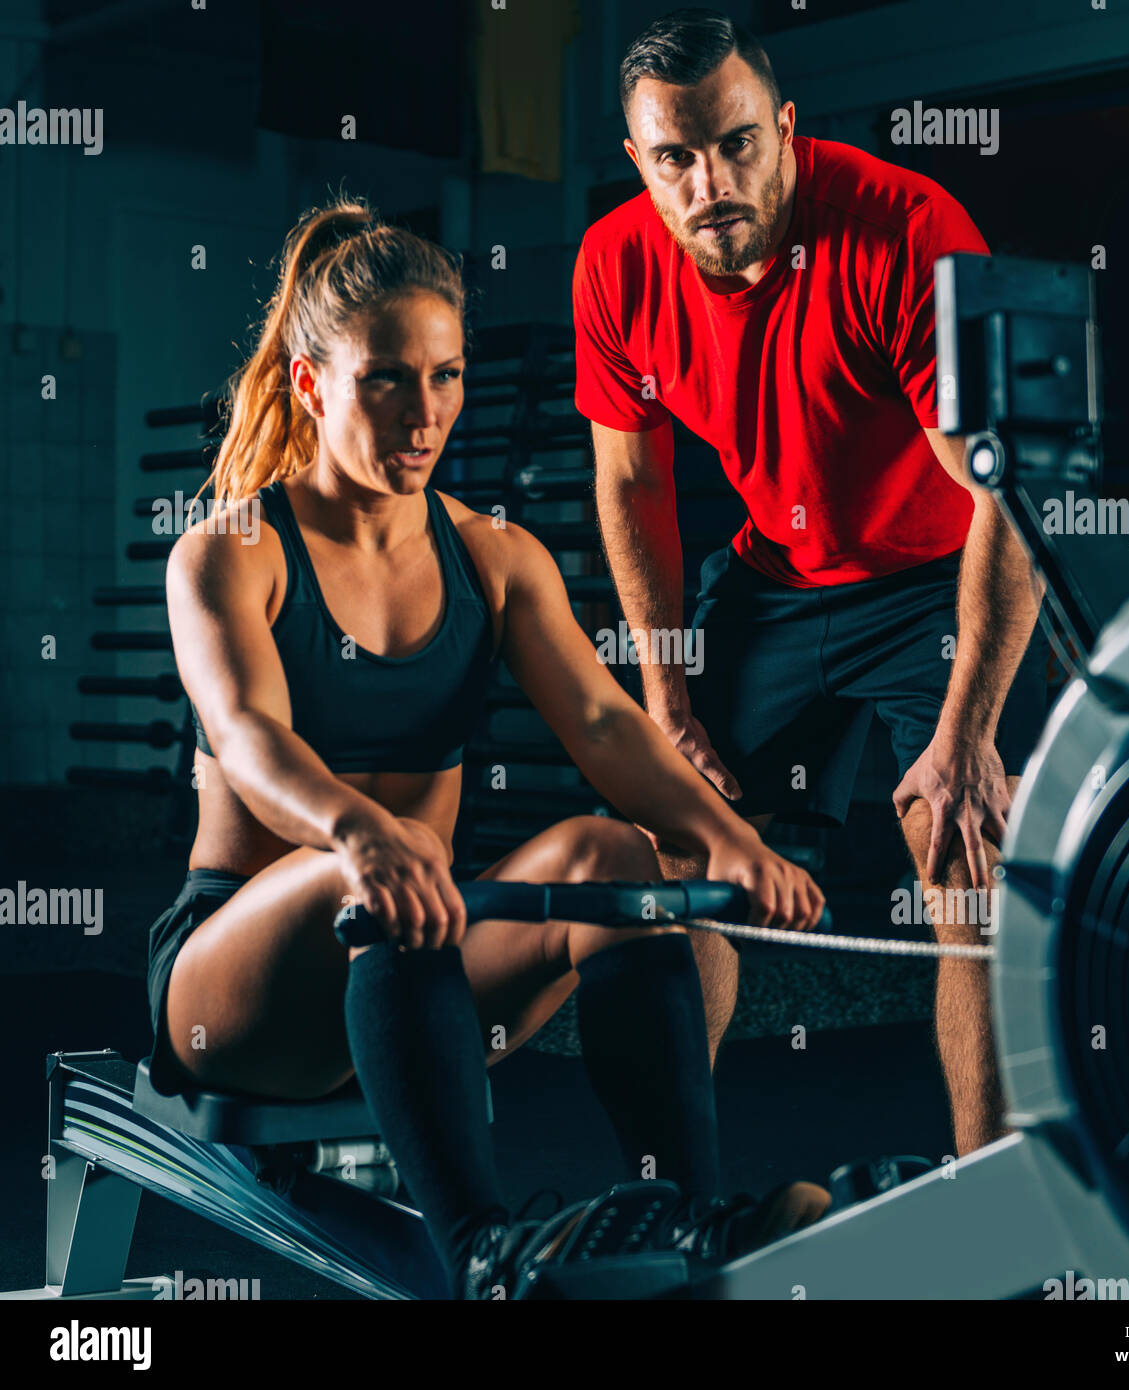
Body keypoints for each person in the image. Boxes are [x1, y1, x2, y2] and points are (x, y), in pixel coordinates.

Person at [146, 196, 830, 1300]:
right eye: (385, 379)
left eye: (445, 377)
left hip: (417, 957)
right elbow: (247, 731)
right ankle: (477, 1251)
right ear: (313, 383)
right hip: (237, 993)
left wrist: (728, 840)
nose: (424, 413)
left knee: (613, 852)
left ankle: (699, 1221)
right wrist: (363, 832)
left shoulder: (495, 556)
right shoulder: (231, 551)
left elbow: (607, 722)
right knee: (366, 868)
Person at [573, 8, 1050, 1155]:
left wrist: (968, 732)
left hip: (942, 575)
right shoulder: (615, 264)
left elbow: (1009, 498)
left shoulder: (906, 233)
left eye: (737, 144)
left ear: (784, 130)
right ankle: (673, 1199)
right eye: (675, 158)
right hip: (777, 580)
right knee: (674, 850)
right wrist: (665, 700)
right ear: (639, 164)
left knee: (967, 867)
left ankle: (986, 1208)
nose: (711, 182)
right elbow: (633, 487)